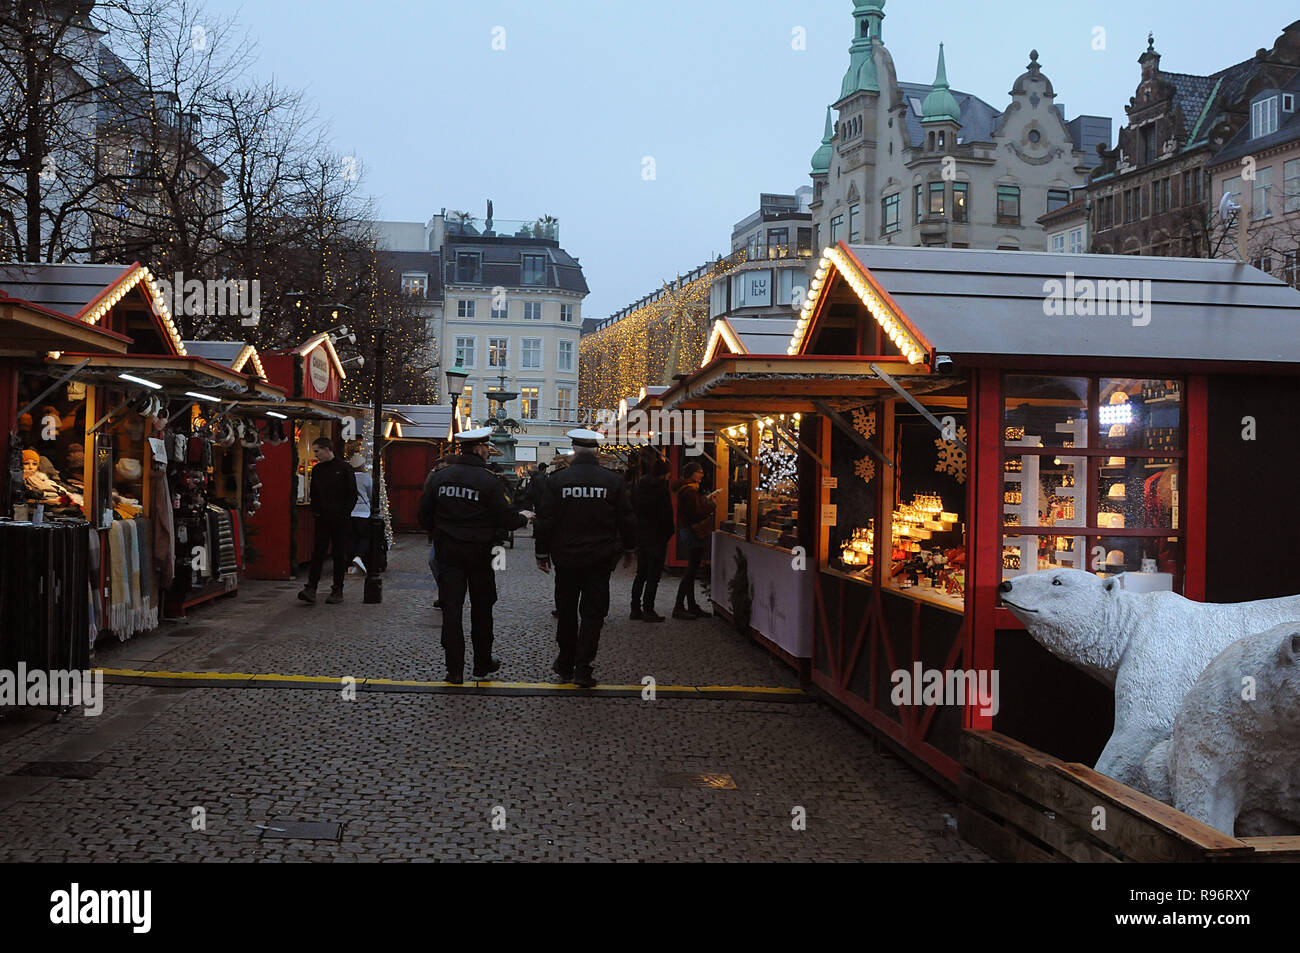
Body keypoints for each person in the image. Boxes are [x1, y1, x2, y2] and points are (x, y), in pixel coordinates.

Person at [417, 427, 528, 683]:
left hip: (448, 553)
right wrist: (522, 518)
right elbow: (507, 518)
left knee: (452, 610)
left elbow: (423, 515)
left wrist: (440, 532)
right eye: (486, 449)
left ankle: (454, 669)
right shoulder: (490, 480)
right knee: (482, 609)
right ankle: (481, 663)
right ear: (479, 449)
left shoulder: (439, 477)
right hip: (480, 554)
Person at [535, 429, 635, 688]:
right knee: (593, 613)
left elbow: (546, 519)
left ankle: (565, 661)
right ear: (597, 452)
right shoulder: (612, 481)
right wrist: (629, 549)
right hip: (599, 559)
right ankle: (583, 667)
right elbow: (626, 519)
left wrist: (542, 552)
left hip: (566, 558)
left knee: (566, 611)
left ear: (573, 452)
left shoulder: (558, 480)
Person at [298, 436, 357, 605]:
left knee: (339, 554)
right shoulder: (318, 470)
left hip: (340, 519)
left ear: (327, 449)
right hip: (322, 518)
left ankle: (337, 589)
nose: (315, 454)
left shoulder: (345, 469)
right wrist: (316, 512)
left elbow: (352, 494)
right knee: (317, 553)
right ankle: (311, 587)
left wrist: (344, 514)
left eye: (317, 451)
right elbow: (314, 493)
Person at [672, 461, 718, 620]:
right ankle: (679, 606)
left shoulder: (687, 490)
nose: (702, 474)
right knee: (691, 570)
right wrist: (711, 505)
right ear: (692, 474)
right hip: (693, 531)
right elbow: (696, 513)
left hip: (687, 530)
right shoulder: (690, 491)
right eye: (699, 471)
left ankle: (690, 605)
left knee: (691, 568)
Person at [630, 452, 674, 622]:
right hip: (657, 537)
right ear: (664, 473)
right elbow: (666, 515)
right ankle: (648, 610)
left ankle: (635, 608)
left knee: (641, 574)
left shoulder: (640, 486)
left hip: (642, 535)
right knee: (653, 576)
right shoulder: (661, 489)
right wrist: (668, 533)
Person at [346, 441, 373, 574]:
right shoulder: (366, 477)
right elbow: (371, 493)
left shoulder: (348, 477)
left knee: (351, 538)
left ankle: (350, 565)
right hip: (363, 512)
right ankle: (358, 557)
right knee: (365, 537)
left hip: (350, 512)